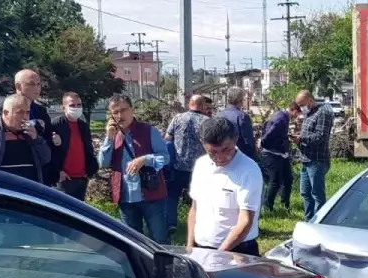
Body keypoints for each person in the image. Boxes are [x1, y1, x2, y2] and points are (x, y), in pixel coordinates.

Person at [98, 94, 172, 243]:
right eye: (115, 112)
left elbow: (165, 158)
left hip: (151, 195)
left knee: (160, 239)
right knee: (132, 241)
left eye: (124, 110)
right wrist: (109, 138)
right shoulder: (113, 136)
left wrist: (145, 160)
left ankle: (164, 266)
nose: (120, 115)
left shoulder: (148, 131)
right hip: (126, 198)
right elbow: (103, 163)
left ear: (132, 110)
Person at [186, 117, 263, 256]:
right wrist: (190, 246)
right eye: (213, 152)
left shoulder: (249, 170)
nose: (220, 157)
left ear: (235, 140)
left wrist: (219, 255)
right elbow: (195, 209)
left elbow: (245, 221)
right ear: (203, 144)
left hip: (237, 251)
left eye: (226, 149)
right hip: (201, 249)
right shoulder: (201, 165)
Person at [0, 93, 52, 184]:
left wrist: (36, 139)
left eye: (27, 112)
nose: (24, 117)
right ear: (6, 113)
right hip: (4, 191)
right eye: (20, 112)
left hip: (30, 190)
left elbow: (46, 159)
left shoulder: (30, 132)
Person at [163, 94, 209, 234]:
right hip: (199, 168)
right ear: (202, 106)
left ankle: (171, 223)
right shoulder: (207, 121)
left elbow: (167, 138)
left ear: (190, 104)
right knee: (199, 198)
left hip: (177, 166)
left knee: (172, 196)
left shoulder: (178, 118)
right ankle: (199, 223)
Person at [48, 92, 99, 200]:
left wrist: (90, 170)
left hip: (82, 178)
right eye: (72, 105)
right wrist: (58, 172)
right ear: (64, 108)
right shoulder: (56, 125)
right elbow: (49, 151)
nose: (76, 108)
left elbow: (88, 149)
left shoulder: (83, 126)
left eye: (79, 105)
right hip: (64, 180)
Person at [294, 90, 334, 221]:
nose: (301, 108)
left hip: (316, 160)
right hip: (306, 159)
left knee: (317, 194)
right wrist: (298, 140)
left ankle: (319, 221)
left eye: (302, 104)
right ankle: (309, 220)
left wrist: (302, 139)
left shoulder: (323, 112)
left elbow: (320, 136)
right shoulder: (309, 113)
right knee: (305, 192)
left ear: (310, 100)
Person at [260, 103, 300, 213]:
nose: (296, 116)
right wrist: (264, 144)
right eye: (297, 113)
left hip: (281, 153)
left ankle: (284, 204)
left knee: (288, 179)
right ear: (293, 110)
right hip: (273, 153)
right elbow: (269, 133)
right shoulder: (281, 118)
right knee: (275, 181)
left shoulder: (283, 117)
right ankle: (268, 207)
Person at [218, 86, 257, 159]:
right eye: (244, 98)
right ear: (240, 99)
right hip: (239, 158)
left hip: (221, 157)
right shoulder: (242, 116)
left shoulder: (218, 115)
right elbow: (248, 142)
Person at [15, 69, 53, 139]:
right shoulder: (9, 110)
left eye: (38, 84)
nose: (37, 88)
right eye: (31, 84)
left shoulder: (42, 111)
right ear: (18, 86)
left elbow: (48, 137)